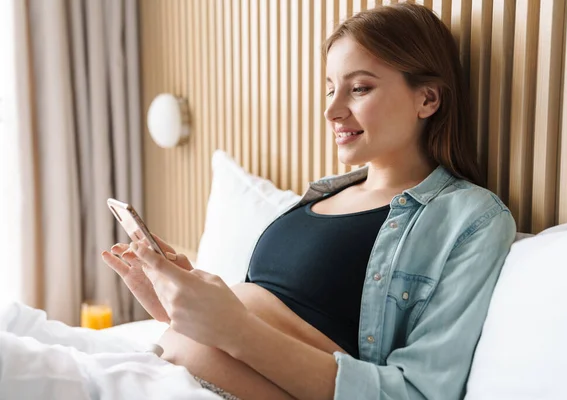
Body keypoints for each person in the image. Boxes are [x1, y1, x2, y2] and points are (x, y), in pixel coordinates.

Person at [1, 3, 515, 400]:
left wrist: (234, 328)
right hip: (159, 366)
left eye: (358, 88)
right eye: (330, 88)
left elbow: (416, 391)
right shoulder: (326, 190)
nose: (332, 109)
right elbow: (271, 311)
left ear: (428, 98)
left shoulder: (468, 219)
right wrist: (176, 301)